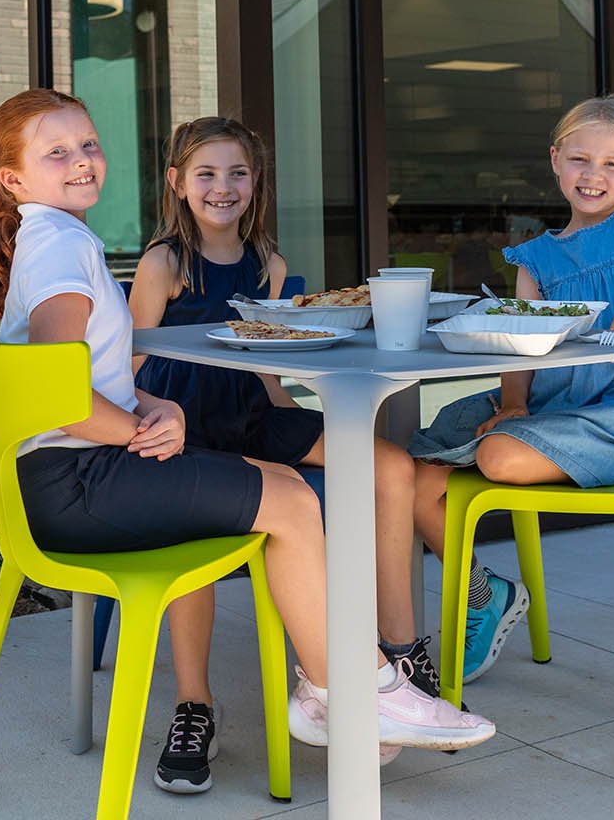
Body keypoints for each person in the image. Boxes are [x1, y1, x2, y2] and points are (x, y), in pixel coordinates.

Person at [0, 89, 495, 789]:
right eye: (57, 152)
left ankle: (343, 688)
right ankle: (353, 693)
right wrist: (136, 426)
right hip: (81, 482)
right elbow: (54, 392)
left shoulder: (57, 239)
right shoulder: (65, 248)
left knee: (292, 489)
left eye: (88, 145)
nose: (82, 162)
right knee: (290, 505)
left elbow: (86, 376)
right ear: (14, 179)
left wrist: (148, 406)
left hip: (76, 473)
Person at [396, 93, 614, 687]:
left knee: (494, 454)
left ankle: (490, 566)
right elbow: (519, 343)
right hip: (544, 406)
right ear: (556, 161)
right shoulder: (535, 258)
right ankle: (486, 594)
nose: (595, 175)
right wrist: (512, 402)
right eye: (581, 160)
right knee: (411, 475)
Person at [127, 117, 438, 794]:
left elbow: (265, 357)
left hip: (253, 412)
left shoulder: (269, 263)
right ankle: (193, 706)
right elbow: (130, 363)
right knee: (198, 530)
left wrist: (294, 414)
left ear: (256, 181)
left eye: (238, 173)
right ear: (178, 184)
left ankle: (400, 654)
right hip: (184, 427)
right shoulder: (164, 263)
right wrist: (141, 428)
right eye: (206, 174)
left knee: (390, 467)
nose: (223, 187)